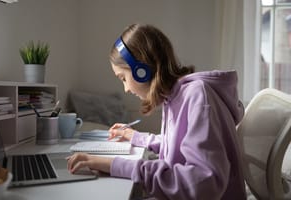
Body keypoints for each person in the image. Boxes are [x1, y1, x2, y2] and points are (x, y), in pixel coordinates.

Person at [66, 23, 247, 199]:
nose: (126, 89)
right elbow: (178, 144)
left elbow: (204, 183)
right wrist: (135, 137)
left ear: (141, 71)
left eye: (123, 78)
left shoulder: (197, 96)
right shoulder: (175, 97)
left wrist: (116, 165)